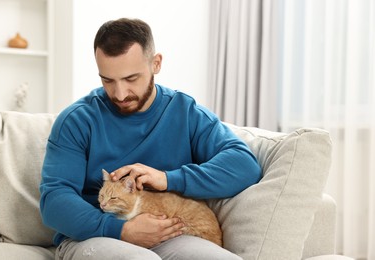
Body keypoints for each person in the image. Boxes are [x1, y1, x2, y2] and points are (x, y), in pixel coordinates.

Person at [40, 18, 261, 260]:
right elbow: (54, 202)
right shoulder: (77, 120)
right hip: (95, 237)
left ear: (156, 64)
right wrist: (121, 230)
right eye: (108, 80)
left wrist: (167, 179)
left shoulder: (184, 112)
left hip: (171, 237)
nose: (120, 94)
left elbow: (245, 166)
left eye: (131, 79)